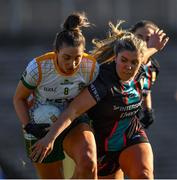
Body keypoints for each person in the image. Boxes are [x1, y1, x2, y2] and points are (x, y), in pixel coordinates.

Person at [30, 30, 169, 178]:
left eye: (134, 62)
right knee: (88, 169)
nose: (128, 66)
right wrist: (50, 138)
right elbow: (73, 111)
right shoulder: (103, 81)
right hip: (101, 144)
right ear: (115, 58)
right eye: (124, 60)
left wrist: (155, 46)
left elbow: (144, 54)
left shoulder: (139, 68)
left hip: (130, 134)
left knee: (144, 175)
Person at [13, 12, 99, 179]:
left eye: (77, 58)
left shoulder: (91, 67)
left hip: (74, 120)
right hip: (40, 125)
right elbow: (18, 98)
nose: (72, 64)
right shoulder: (38, 67)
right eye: (66, 57)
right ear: (56, 52)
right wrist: (28, 125)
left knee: (88, 163)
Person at [130, 20, 169, 129]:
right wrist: (154, 48)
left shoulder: (153, 67)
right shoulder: (123, 59)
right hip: (113, 115)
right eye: (139, 37)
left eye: (148, 39)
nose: (143, 42)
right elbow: (137, 60)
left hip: (132, 117)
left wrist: (148, 110)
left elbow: (145, 89)